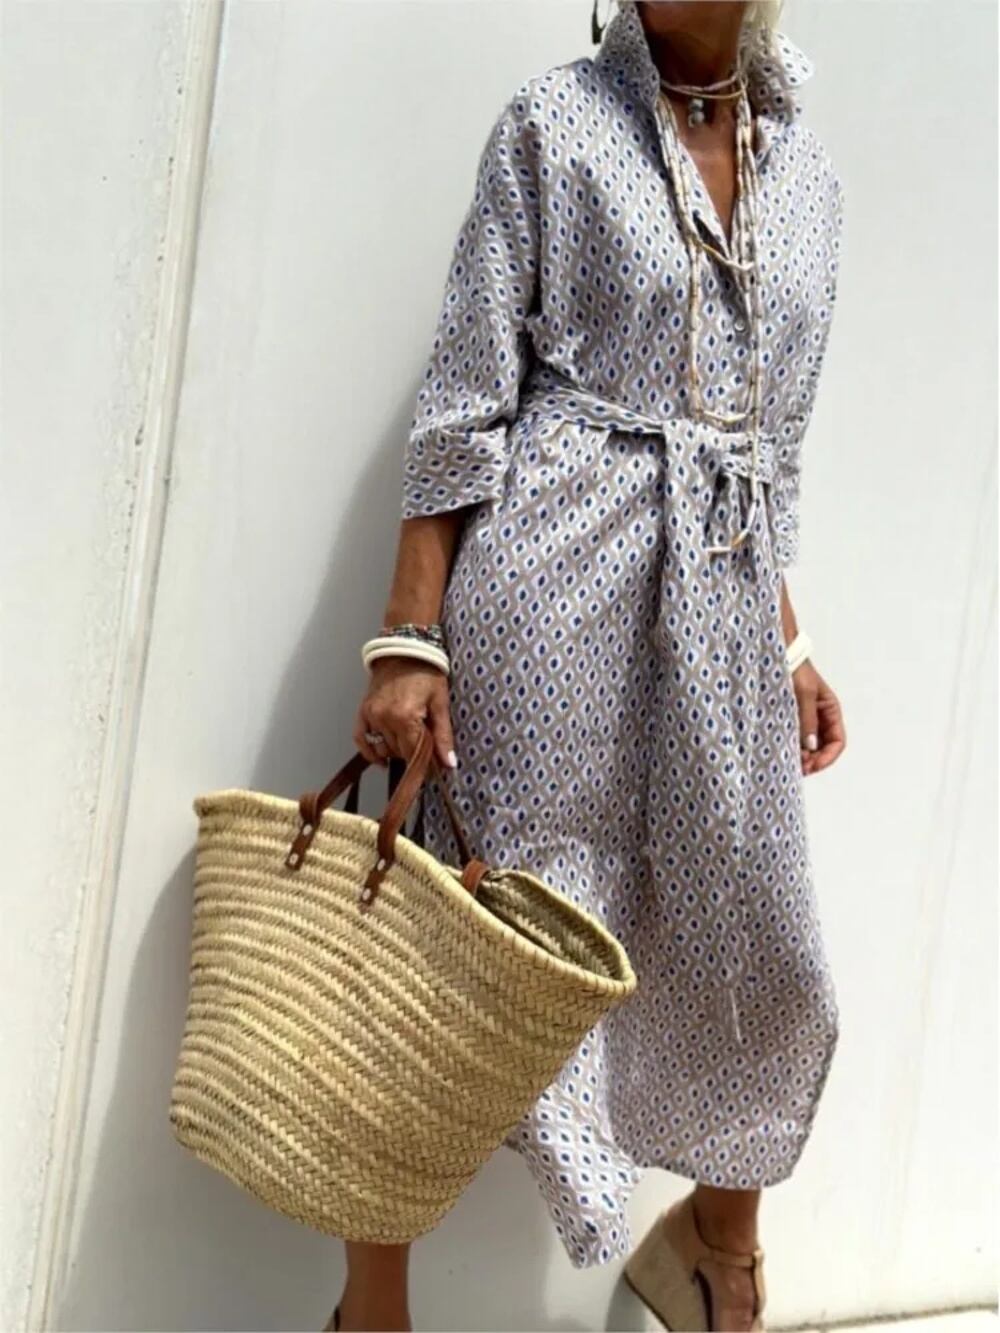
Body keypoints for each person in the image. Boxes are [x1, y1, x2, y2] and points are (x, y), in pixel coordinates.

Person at [343, 1, 847, 1328]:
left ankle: (713, 1245)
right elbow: (466, 393)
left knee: (763, 954)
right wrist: (409, 639)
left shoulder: (806, 172)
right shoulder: (556, 125)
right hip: (552, 595)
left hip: (722, 621)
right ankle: (371, 1310)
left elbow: (766, 447)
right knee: (468, 963)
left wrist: (788, 635)